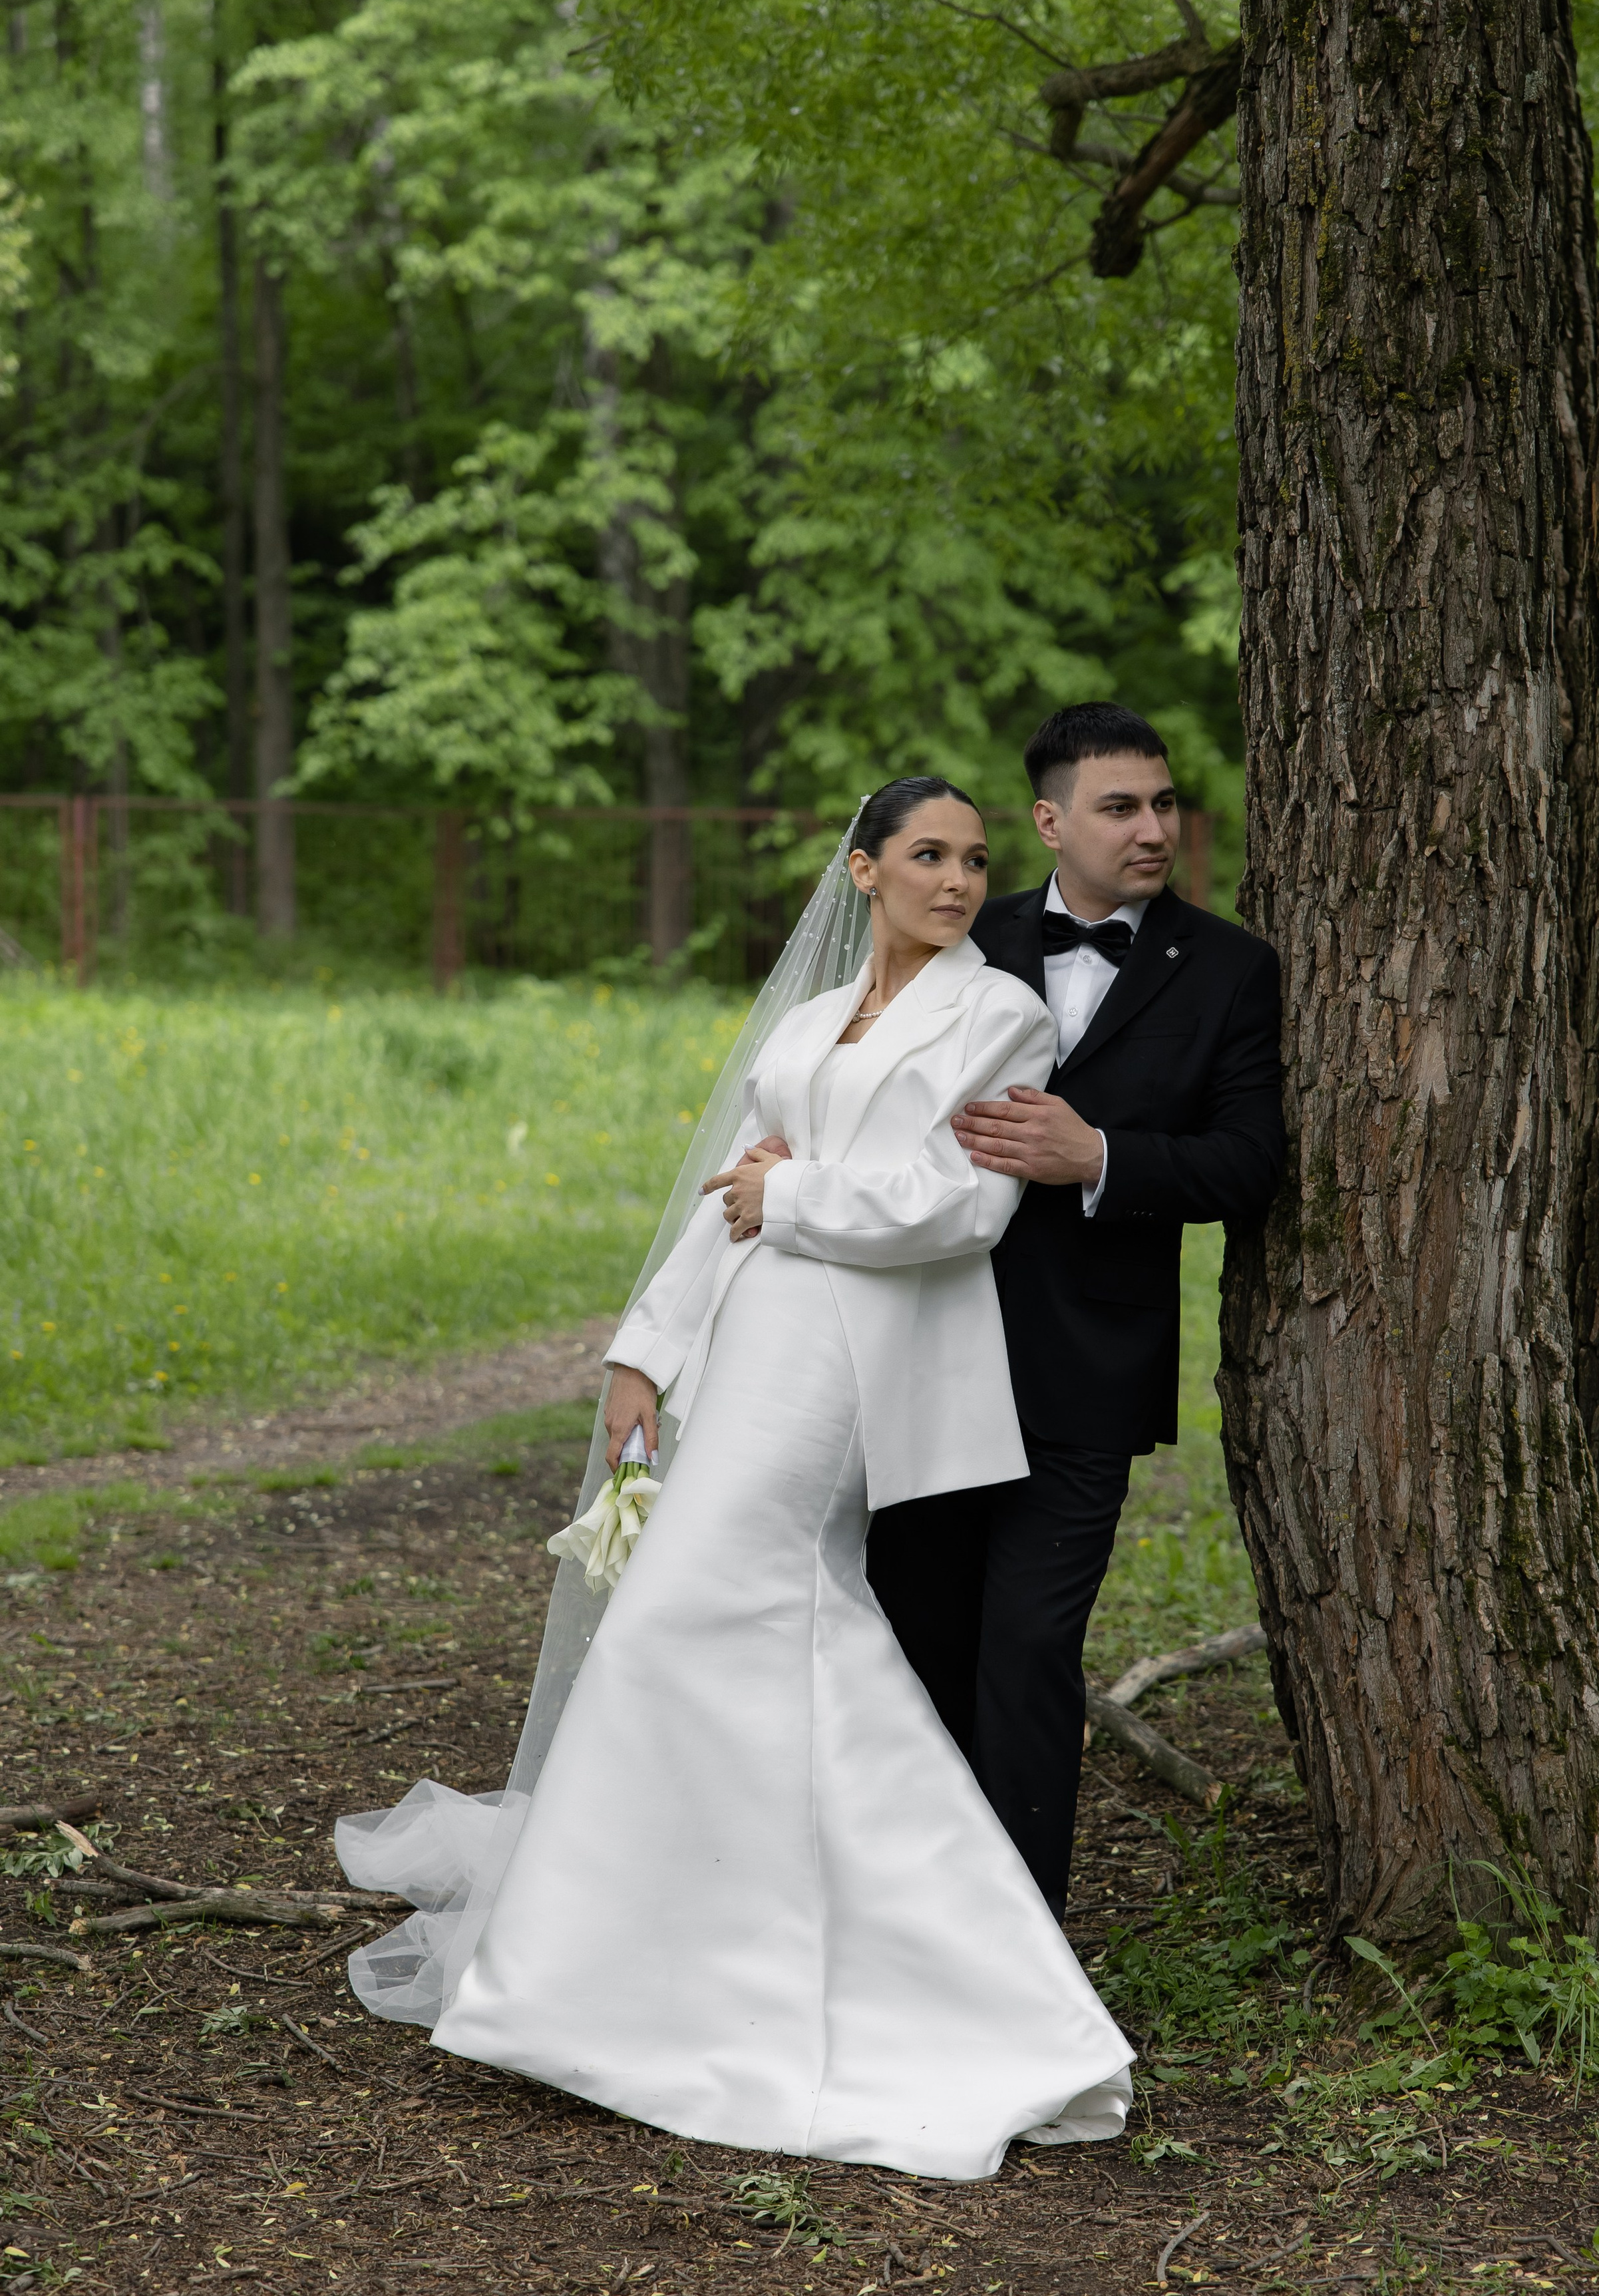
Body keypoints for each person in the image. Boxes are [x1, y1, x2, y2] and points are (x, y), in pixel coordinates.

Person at [336, 775, 1133, 2182]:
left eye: (974, 860)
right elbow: (729, 1192)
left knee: (688, 1616)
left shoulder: (997, 1012)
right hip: (753, 1336)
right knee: (765, 1636)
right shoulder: (813, 1023)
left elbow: (960, 1209)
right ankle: (683, 1962)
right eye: (926, 856)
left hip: (851, 1354)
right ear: (861, 871)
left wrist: (799, 1196)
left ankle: (698, 1982)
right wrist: (642, 1355)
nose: (955, 882)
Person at [866, 705, 1286, 1919]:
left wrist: (1100, 1154)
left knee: (1034, 1652)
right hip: (927, 1349)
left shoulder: (1229, 969)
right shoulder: (961, 939)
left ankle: (1022, 1948)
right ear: (1051, 821)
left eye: (1163, 804)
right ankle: (908, 1920)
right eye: (1120, 807)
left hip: (1088, 1368)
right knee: (916, 1643)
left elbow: (1249, 1162)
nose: (1152, 828)